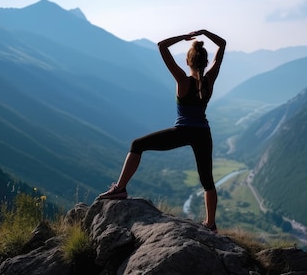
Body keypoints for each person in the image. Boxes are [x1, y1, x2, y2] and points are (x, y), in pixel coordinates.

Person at [97, 29, 227, 232]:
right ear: (204, 62)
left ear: (187, 61)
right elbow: (222, 44)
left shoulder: (183, 81)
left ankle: (120, 189)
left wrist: (184, 37)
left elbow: (162, 46)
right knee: (207, 180)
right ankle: (210, 224)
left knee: (137, 145)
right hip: (203, 133)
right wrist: (204, 33)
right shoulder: (209, 80)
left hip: (182, 131)